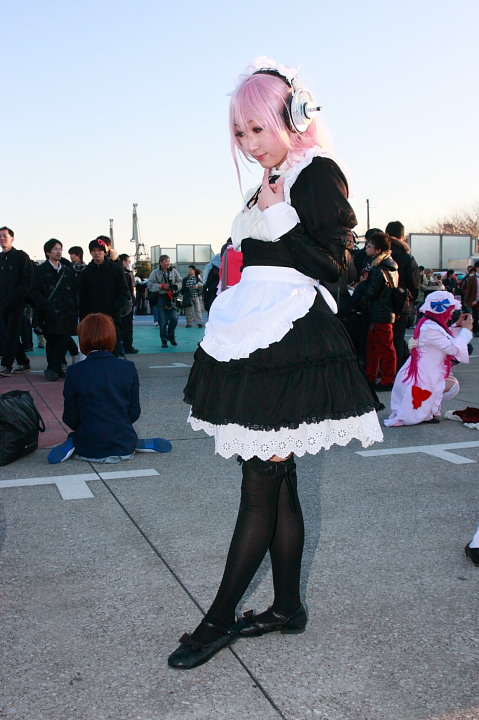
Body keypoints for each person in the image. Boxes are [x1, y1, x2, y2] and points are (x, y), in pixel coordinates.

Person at [167, 57, 383, 670]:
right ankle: (287, 607)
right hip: (254, 336)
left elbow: (338, 267)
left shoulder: (316, 173)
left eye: (257, 128)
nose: (249, 142)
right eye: (240, 133)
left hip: (292, 341)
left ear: (290, 118)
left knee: (260, 485)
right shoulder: (266, 181)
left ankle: (218, 619)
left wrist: (281, 219)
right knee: (276, 480)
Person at [47, 313, 171, 463]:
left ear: (83, 338)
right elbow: (134, 412)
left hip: (89, 446)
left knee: (82, 433)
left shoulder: (74, 371)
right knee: (120, 429)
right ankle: (126, 439)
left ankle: (77, 440)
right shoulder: (128, 367)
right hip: (123, 443)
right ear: (112, 336)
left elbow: (70, 417)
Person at [384, 291, 472, 427]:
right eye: (451, 309)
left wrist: (457, 325)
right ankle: (425, 411)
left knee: (453, 383)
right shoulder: (431, 328)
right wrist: (466, 330)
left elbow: (446, 336)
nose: (452, 312)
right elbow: (453, 348)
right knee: (453, 386)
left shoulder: (429, 323)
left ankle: (426, 410)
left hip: (419, 375)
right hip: (422, 378)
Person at [30, 239, 79, 381]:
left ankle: (53, 369)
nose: (59, 252)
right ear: (48, 252)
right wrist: (45, 306)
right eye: (55, 249)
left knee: (62, 340)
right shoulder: (40, 271)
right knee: (52, 341)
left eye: (60, 249)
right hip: (49, 313)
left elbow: (74, 291)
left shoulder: (67, 270)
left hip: (67, 312)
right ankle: (54, 368)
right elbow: (34, 292)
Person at [360, 231, 399, 391]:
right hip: (385, 312)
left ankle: (387, 379)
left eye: (369, 245)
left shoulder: (378, 269)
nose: (366, 248)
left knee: (381, 348)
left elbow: (372, 293)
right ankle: (377, 377)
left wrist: (363, 282)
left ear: (378, 249)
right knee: (378, 347)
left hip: (380, 313)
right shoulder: (391, 266)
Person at [79, 237, 131, 355]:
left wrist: (115, 308)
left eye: (99, 250)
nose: (96, 253)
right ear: (90, 252)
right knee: (93, 347)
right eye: (93, 250)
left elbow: (124, 292)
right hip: (92, 318)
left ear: (105, 252)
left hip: (111, 316)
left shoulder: (116, 270)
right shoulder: (86, 272)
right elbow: (82, 296)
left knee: (113, 347)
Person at [385, 221, 420, 369]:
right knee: (398, 338)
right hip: (402, 302)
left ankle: (381, 369)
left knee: (381, 339)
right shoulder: (407, 257)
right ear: (402, 236)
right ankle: (397, 369)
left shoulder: (380, 254)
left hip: (381, 303)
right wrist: (411, 296)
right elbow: (414, 283)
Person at [0, 226, 33, 377]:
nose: (2, 239)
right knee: (8, 333)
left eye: (5, 236)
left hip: (17, 303)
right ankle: (24, 362)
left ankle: (6, 365)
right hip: (2, 303)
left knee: (12, 333)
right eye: (0, 236)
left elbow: (27, 278)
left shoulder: (20, 256)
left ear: (12, 239)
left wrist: (18, 296)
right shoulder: (0, 258)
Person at [147, 255, 182, 347]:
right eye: (166, 261)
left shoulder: (174, 271)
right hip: (161, 297)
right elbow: (150, 285)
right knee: (162, 321)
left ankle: (171, 335)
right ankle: (164, 340)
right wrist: (162, 286)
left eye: (169, 261)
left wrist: (176, 286)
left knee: (174, 318)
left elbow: (180, 281)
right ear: (161, 262)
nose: (168, 263)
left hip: (172, 297)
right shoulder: (155, 272)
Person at [119, 253, 139, 353]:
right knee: (127, 326)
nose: (129, 263)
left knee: (119, 326)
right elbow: (130, 288)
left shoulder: (116, 272)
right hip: (126, 302)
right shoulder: (126, 273)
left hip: (120, 302)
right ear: (124, 262)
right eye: (128, 261)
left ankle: (119, 346)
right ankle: (127, 346)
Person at [463, 259, 479, 336]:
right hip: (474, 300)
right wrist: (466, 301)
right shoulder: (472, 278)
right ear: (477, 268)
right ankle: (475, 331)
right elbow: (468, 290)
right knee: (475, 316)